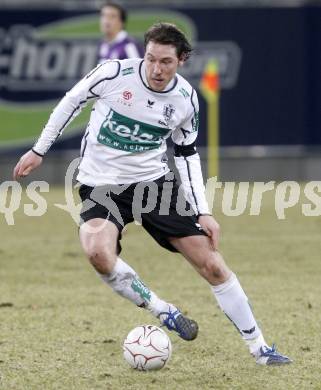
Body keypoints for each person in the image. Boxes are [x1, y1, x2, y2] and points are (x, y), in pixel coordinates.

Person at [13, 22, 291, 366]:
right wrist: (39, 149)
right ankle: (162, 309)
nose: (156, 69)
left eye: (166, 62)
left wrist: (203, 210)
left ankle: (261, 349)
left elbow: (186, 154)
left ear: (182, 60)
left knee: (212, 264)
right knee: (97, 252)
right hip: (102, 184)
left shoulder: (186, 99)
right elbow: (71, 102)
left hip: (153, 185)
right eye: (151, 59)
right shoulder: (114, 74)